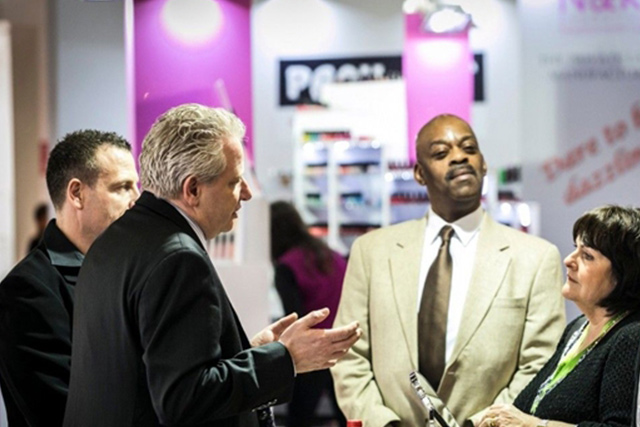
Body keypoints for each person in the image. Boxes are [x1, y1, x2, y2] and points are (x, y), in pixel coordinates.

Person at [63, 104, 361, 427]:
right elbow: (185, 399)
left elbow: (147, 369)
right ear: (193, 190)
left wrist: (251, 353)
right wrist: (286, 358)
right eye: (234, 181)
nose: (246, 193)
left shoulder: (113, 241)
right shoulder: (177, 258)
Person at [331, 114, 566, 427]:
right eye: (441, 153)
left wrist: (482, 424)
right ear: (419, 173)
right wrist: (383, 422)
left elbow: (541, 364)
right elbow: (350, 355)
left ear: (483, 163)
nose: (459, 157)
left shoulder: (535, 258)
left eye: (469, 148)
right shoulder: (372, 251)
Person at [0, 129, 140, 427]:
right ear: (76, 194)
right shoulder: (28, 290)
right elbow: (62, 413)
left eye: (135, 186)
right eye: (122, 187)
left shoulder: (124, 274)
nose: (136, 200)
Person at [479, 205, 640, 427]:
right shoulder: (577, 328)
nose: (569, 260)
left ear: (623, 274)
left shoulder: (630, 337)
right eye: (576, 248)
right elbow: (529, 407)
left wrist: (536, 425)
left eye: (587, 256)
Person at [270, 201, 348, 427]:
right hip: (346, 344)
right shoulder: (331, 255)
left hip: (315, 349)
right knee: (348, 415)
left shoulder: (287, 266)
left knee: (299, 416)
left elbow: (295, 319)